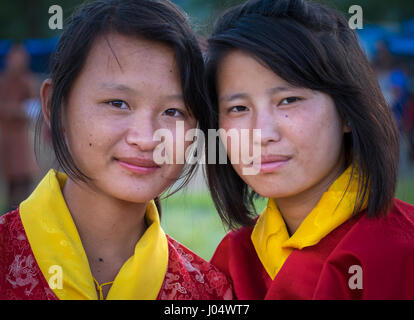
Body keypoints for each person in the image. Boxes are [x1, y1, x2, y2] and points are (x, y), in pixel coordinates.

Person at [0, 0, 232, 300]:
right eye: (117, 104)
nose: (147, 138)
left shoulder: (210, 294)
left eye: (173, 111)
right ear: (55, 107)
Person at [205, 0, 414, 299]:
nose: (261, 134)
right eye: (238, 108)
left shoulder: (403, 252)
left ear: (347, 112)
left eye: (288, 100)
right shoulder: (232, 260)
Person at [0, 44, 39, 212]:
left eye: (21, 58)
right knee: (10, 185)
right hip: (6, 141)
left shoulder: (28, 81)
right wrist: (18, 111)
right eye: (15, 58)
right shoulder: (3, 82)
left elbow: (34, 109)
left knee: (24, 185)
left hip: (23, 143)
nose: (18, 62)